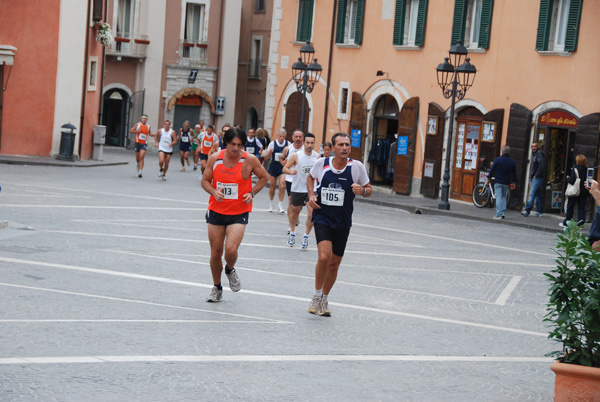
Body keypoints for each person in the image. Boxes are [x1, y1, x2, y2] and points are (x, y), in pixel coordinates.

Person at [306, 133, 372, 317]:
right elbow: (310, 178)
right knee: (324, 256)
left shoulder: (356, 167)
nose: (344, 147)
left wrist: (363, 190)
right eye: (341, 144)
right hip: (322, 216)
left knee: (334, 264)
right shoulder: (322, 164)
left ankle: (325, 299)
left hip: (343, 221)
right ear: (333, 148)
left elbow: (369, 189)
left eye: (347, 145)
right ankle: (316, 296)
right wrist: (311, 195)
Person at [201, 127, 268, 302]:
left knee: (231, 249)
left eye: (239, 145)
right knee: (216, 253)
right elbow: (204, 180)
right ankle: (217, 287)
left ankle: (230, 269)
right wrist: (214, 192)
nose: (236, 148)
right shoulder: (215, 159)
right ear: (226, 143)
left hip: (239, 212)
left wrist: (252, 193)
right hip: (216, 210)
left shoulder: (250, 159)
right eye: (232, 144)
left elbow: (264, 177)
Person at [282, 132, 320, 249]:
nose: (309, 145)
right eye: (307, 143)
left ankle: (305, 237)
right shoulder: (296, 156)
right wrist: (291, 171)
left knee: (311, 213)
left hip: (311, 190)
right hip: (297, 188)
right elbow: (284, 168)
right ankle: (292, 233)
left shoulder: (317, 157)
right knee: (295, 213)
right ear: (304, 143)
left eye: (312, 143)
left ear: (314, 144)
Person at [281, 130, 305, 230]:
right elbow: (281, 158)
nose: (298, 139)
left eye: (300, 137)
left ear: (302, 139)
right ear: (293, 138)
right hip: (290, 178)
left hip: (302, 180)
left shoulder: (306, 149)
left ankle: (296, 215)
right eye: (296, 137)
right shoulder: (288, 148)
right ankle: (290, 224)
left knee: (298, 204)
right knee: (291, 201)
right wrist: (284, 163)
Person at [487, 145, 517, 220]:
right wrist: (514, 182)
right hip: (506, 182)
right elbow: (514, 173)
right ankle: (503, 212)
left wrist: (489, 178)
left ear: (502, 151)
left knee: (498, 197)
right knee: (504, 197)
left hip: (498, 181)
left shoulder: (497, 160)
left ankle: (498, 214)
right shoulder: (512, 162)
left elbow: (492, 169)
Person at [264, 129, 289, 213]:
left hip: (282, 167)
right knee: (272, 186)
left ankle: (280, 205)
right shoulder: (272, 144)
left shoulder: (288, 144)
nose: (282, 138)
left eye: (283, 136)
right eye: (280, 136)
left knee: (282, 185)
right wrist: (269, 153)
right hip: (274, 166)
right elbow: (266, 158)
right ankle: (271, 204)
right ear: (277, 136)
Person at [561, 154, 590, 227]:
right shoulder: (587, 170)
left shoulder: (575, 169)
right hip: (584, 192)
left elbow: (572, 181)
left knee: (570, 207)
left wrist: (568, 178)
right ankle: (580, 224)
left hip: (575, 191)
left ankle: (567, 222)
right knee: (581, 208)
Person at [522, 142, 546, 217]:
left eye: (535, 146)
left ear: (537, 146)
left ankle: (527, 210)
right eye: (532, 146)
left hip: (536, 177)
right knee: (537, 194)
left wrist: (536, 175)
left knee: (532, 193)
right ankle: (539, 211)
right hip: (534, 176)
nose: (533, 148)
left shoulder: (538, 153)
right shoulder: (535, 154)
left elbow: (542, 165)